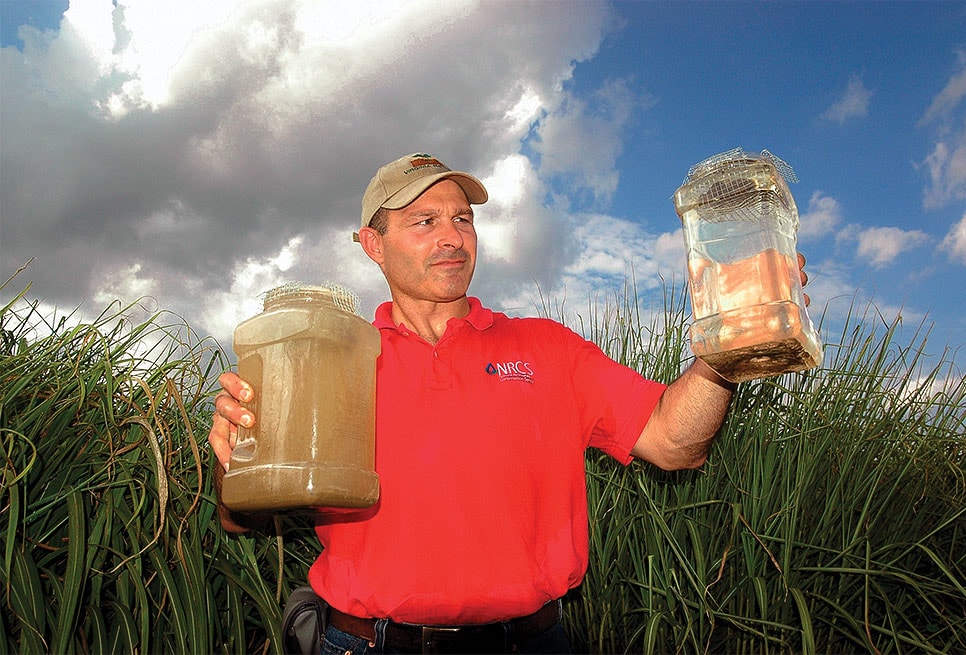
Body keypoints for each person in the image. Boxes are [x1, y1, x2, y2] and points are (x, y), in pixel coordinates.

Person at [209, 152, 811, 654]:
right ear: (373, 244)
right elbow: (242, 519)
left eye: (463, 221)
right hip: (367, 643)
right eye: (423, 222)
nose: (452, 237)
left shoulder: (546, 347)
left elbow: (675, 443)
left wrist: (726, 346)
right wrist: (233, 465)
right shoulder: (326, 361)